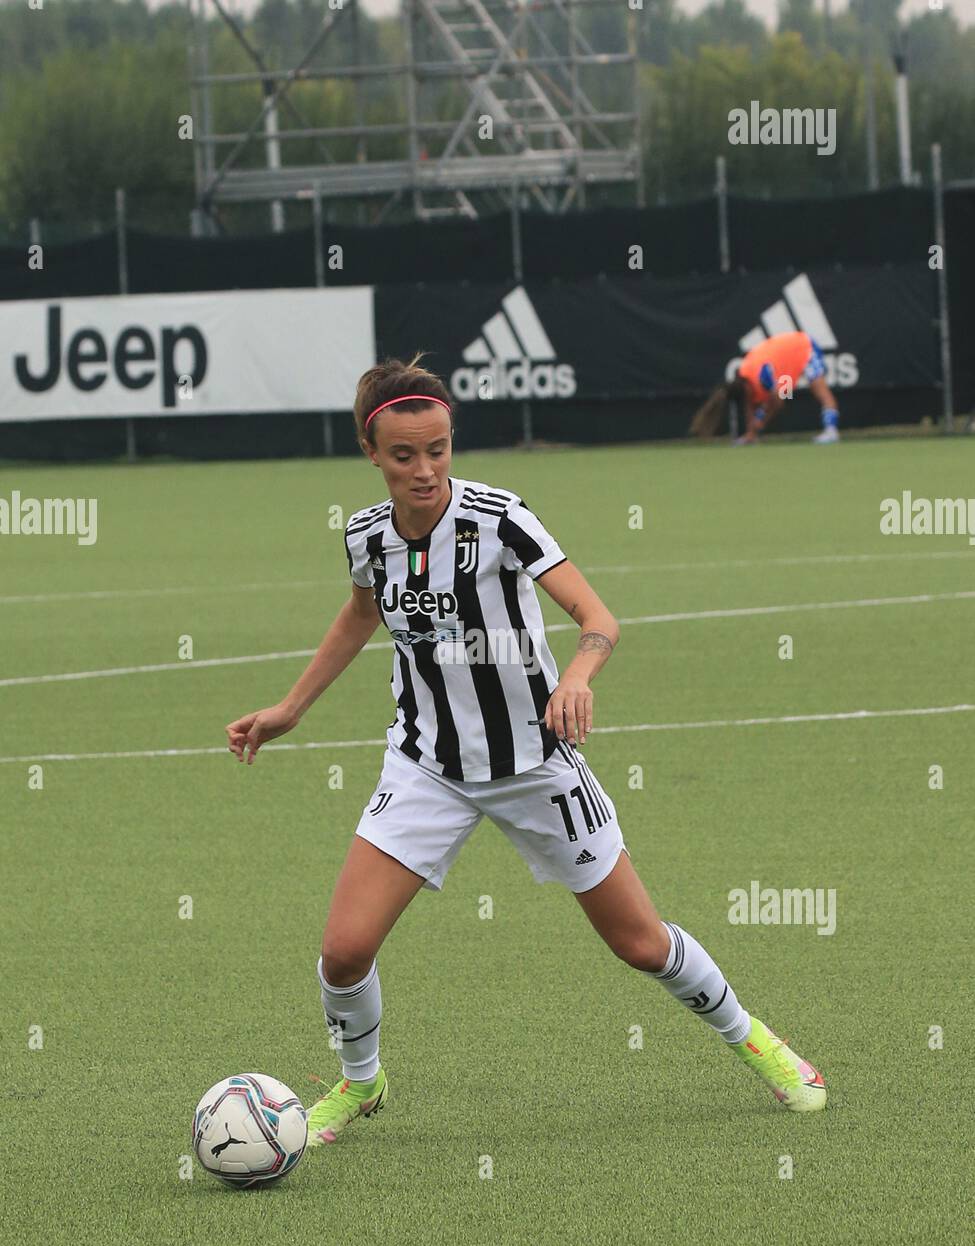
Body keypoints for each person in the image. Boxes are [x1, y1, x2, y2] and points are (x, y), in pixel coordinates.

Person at [226, 354, 826, 1146]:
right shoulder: (366, 535)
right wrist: (289, 708)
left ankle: (755, 1040)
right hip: (426, 767)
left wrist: (578, 674)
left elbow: (598, 617)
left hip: (535, 766)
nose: (424, 470)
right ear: (370, 454)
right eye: (403, 456)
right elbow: (359, 615)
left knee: (639, 942)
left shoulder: (499, 517)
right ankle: (361, 1084)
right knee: (343, 952)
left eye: (437, 449)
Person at [691, 330, 840, 444]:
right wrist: (752, 432)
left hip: (803, 346)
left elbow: (778, 402)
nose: (749, 401)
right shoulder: (745, 375)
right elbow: (750, 403)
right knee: (778, 397)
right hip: (786, 367)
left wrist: (761, 420)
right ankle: (752, 437)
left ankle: (831, 431)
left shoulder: (762, 373)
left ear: (745, 389)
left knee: (820, 391)